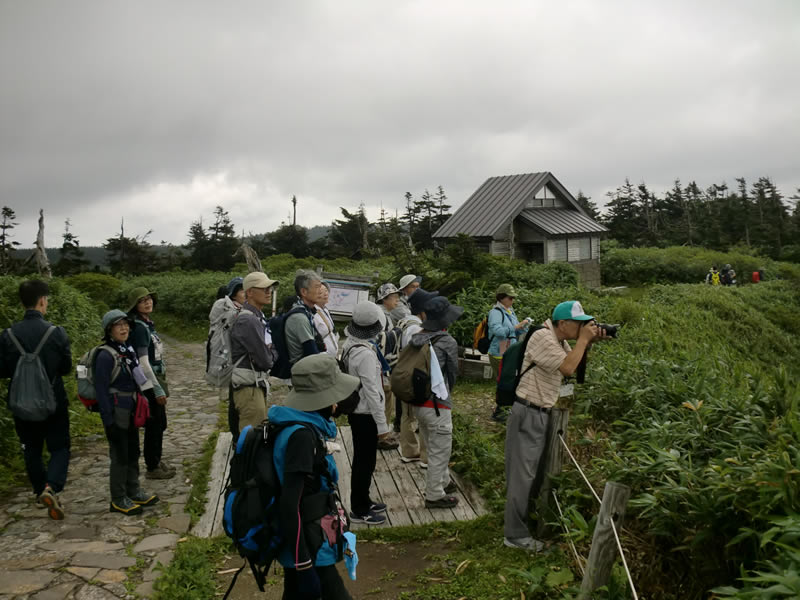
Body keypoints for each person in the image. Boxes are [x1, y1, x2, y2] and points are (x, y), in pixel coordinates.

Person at [503, 301, 610, 551]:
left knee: (532, 474)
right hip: (529, 411)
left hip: (538, 411)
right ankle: (515, 536)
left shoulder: (559, 340)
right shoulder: (542, 337)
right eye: (579, 323)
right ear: (563, 324)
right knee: (523, 475)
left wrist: (588, 342)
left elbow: (571, 370)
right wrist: (584, 341)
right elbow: (567, 367)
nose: (583, 326)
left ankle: (521, 526)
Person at [270, 354, 359, 600]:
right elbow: (290, 503)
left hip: (302, 542)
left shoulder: (295, 424)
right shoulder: (302, 437)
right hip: (307, 546)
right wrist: (304, 564)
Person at [0, 280, 72, 520]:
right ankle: (51, 487)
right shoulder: (56, 332)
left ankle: (39, 490)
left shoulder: (8, 335)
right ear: (42, 300)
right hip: (53, 400)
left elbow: (2, 369)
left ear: (22, 303)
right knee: (59, 446)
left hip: (21, 402)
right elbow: (65, 367)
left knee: (31, 448)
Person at [96, 310, 159, 515]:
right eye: (118, 325)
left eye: (126, 324)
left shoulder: (127, 350)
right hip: (116, 412)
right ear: (109, 330)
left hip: (131, 410)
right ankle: (118, 498)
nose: (123, 328)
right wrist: (108, 421)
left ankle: (133, 491)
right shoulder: (105, 355)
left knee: (133, 451)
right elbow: (101, 390)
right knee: (120, 455)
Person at [341, 302, 394, 524]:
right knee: (364, 462)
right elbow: (372, 392)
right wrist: (382, 426)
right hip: (365, 414)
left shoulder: (351, 345)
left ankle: (364, 499)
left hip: (358, 411)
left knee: (365, 460)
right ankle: (359, 509)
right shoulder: (365, 355)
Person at [407, 296, 463, 509]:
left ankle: (444, 482)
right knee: (440, 450)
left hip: (418, 404)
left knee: (431, 445)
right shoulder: (446, 341)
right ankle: (434, 495)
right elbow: (453, 373)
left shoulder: (417, 337)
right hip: (437, 405)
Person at [127, 287, 174, 480]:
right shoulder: (139, 327)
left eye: (149, 299)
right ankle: (152, 465)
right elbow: (143, 362)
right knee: (155, 423)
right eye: (142, 301)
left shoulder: (146, 324)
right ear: (135, 306)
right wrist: (156, 390)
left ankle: (155, 459)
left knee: (159, 423)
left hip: (154, 378)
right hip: (148, 381)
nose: (148, 303)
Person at [229, 272, 279, 437]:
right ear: (249, 292)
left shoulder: (255, 317)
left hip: (252, 386)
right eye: (263, 288)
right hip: (249, 390)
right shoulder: (249, 320)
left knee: (256, 436)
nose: (268, 292)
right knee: (252, 440)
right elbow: (265, 361)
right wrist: (273, 351)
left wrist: (270, 351)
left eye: (269, 288)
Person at [396, 288, 438, 465]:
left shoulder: (405, 322)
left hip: (404, 374)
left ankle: (410, 451)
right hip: (415, 378)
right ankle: (424, 456)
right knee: (421, 417)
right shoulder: (415, 328)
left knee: (408, 414)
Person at [208, 277, 245, 438]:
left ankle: (237, 435)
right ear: (234, 294)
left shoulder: (235, 309)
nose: (246, 294)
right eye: (243, 291)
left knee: (236, 399)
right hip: (232, 360)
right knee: (235, 400)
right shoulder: (230, 310)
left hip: (235, 359)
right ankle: (237, 436)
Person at [488, 284, 531, 423]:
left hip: (509, 351)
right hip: (498, 352)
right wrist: (515, 327)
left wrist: (523, 327)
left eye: (513, 298)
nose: (512, 300)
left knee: (509, 380)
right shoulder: (495, 312)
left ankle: (505, 408)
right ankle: (500, 411)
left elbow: (515, 331)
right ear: (501, 298)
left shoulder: (510, 310)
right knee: (503, 382)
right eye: (510, 297)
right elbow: (498, 331)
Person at [375, 283, 401, 441]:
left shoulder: (382, 314)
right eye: (394, 297)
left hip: (381, 366)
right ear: (385, 299)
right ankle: (382, 434)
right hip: (383, 367)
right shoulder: (382, 317)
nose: (397, 301)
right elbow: (382, 345)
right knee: (386, 398)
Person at [286, 269, 326, 367]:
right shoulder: (299, 318)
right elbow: (311, 351)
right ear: (304, 291)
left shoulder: (307, 312)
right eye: (317, 287)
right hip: (302, 373)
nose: (320, 291)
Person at [312, 280, 339, 358]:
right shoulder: (313, 313)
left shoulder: (325, 310)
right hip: (322, 357)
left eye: (326, 291)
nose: (325, 294)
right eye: (321, 292)